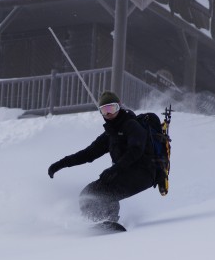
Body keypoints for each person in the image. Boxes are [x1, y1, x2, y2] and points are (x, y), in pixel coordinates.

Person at [47, 90, 156, 223]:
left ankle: (109, 219)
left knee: (100, 193)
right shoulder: (110, 134)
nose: (109, 114)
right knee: (87, 195)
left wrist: (114, 170)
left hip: (144, 172)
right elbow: (88, 154)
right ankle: (98, 222)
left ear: (119, 106)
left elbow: (136, 150)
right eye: (105, 110)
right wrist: (60, 164)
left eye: (112, 108)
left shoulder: (132, 125)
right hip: (125, 173)